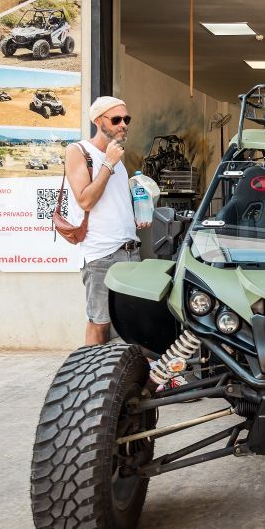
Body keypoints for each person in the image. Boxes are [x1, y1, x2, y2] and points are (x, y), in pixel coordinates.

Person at [66, 96, 150, 346]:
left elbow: (111, 203)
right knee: (99, 323)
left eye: (126, 119)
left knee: (128, 324)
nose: (123, 124)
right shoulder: (78, 151)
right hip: (102, 254)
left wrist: (136, 215)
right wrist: (109, 163)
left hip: (129, 251)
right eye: (116, 119)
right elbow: (85, 200)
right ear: (98, 120)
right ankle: (90, 379)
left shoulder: (119, 160)